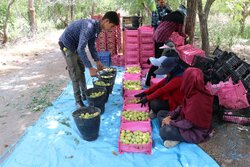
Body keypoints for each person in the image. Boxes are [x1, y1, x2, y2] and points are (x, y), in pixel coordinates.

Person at [59, 11, 120, 107]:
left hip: (76, 46)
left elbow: (91, 45)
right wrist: (91, 68)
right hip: (67, 45)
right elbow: (81, 49)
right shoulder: (89, 27)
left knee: (81, 70)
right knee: (75, 73)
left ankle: (85, 94)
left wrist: (97, 60)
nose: (112, 29)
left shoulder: (97, 28)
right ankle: (78, 100)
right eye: (112, 26)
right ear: (106, 21)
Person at [157, 67, 214, 148]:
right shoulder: (193, 90)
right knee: (161, 114)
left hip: (195, 130)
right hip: (182, 119)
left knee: (164, 131)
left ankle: (177, 138)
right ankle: (173, 135)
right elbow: (181, 106)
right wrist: (170, 116)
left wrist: (171, 122)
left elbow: (188, 124)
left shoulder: (197, 100)